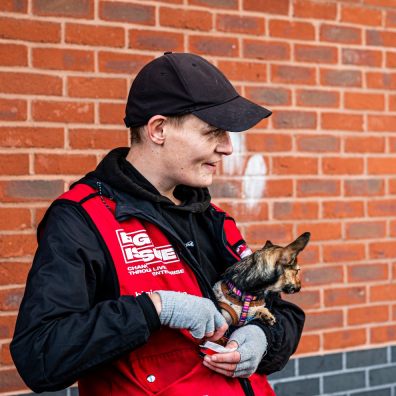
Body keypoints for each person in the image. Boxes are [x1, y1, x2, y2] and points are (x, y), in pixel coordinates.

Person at [11, 52, 305, 396]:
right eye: (213, 131)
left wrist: (261, 337)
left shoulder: (213, 219)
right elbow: (41, 355)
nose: (227, 147)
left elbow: (282, 313)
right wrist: (156, 308)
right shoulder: (82, 219)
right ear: (159, 129)